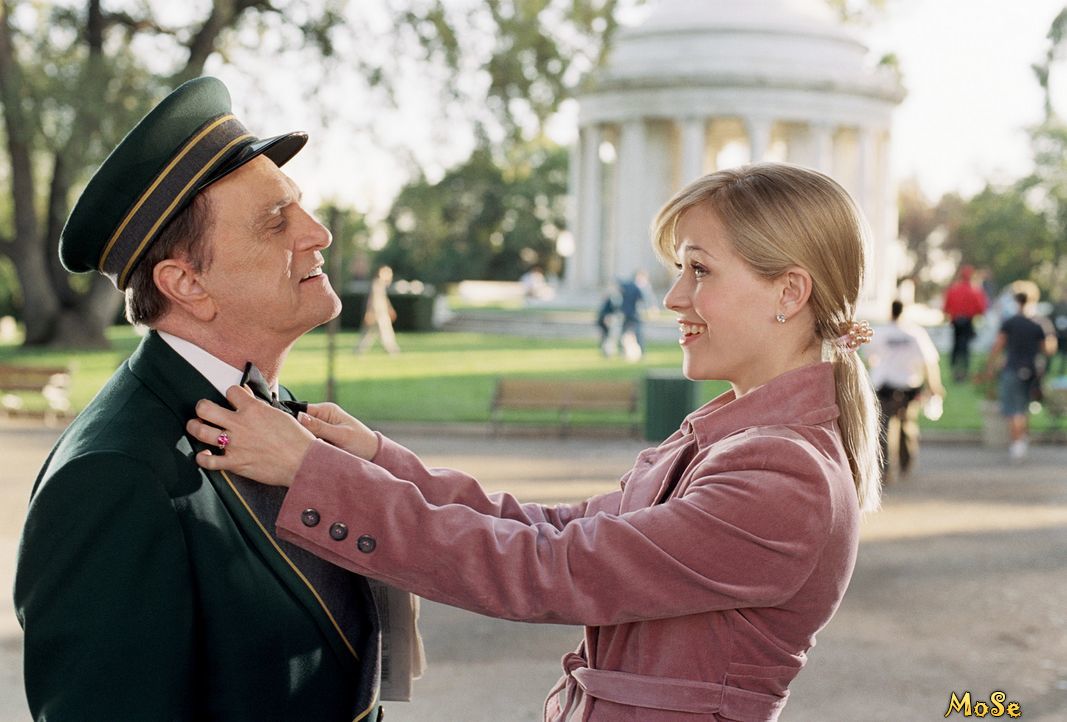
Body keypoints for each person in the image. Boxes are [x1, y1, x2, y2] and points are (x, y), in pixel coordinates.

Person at [187, 162, 881, 721]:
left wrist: (313, 474)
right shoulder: (739, 443)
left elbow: (546, 568)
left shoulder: (781, 475)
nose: (673, 297)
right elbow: (549, 528)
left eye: (699, 270)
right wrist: (377, 460)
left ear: (789, 293)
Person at [13, 77, 387, 720]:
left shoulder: (267, 408)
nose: (319, 233)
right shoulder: (113, 477)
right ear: (186, 284)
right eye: (276, 221)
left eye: (300, 206)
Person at [865, 299, 946, 481]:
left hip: (885, 386)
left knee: (884, 427)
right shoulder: (915, 333)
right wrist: (934, 385)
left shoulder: (880, 333)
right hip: (909, 385)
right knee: (907, 425)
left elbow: (870, 359)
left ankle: (886, 467)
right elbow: (929, 361)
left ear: (890, 312)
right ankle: (906, 463)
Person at [980, 283, 1058, 462]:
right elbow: (1049, 349)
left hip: (1013, 368)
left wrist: (990, 366)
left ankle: (1017, 444)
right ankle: (1022, 439)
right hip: (1032, 370)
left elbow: (998, 345)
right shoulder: (1041, 323)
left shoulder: (1010, 322)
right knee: (1024, 408)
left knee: (1013, 409)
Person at [942, 264, 988, 382]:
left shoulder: (954, 289)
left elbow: (946, 307)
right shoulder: (975, 290)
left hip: (956, 322)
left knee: (956, 346)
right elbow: (981, 308)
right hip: (967, 321)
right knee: (965, 347)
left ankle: (955, 369)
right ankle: (964, 370)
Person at [356, 265, 400, 354]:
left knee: (370, 333)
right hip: (378, 313)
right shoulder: (376, 284)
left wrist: (390, 309)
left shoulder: (381, 284)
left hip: (382, 313)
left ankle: (358, 351)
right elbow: (372, 300)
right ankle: (392, 350)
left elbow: (384, 300)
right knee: (383, 333)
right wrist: (369, 312)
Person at [617, 269, 656, 361]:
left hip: (626, 313)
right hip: (634, 314)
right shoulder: (639, 288)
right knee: (638, 333)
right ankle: (641, 352)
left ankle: (622, 351)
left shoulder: (627, 285)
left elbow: (619, 284)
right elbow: (646, 300)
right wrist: (651, 309)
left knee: (624, 332)